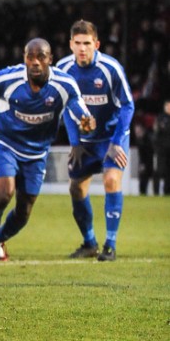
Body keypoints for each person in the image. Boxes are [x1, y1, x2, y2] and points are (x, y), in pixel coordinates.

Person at [0, 38, 95, 261]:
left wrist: (87, 121)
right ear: (24, 59)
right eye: (30, 57)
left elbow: (81, 111)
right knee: (4, 193)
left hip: (37, 153)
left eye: (40, 57)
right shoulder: (10, 77)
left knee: (23, 213)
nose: (35, 62)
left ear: (50, 60)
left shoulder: (65, 84)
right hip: (6, 143)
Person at [56, 20, 134, 262]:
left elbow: (128, 105)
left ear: (96, 44)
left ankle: (110, 245)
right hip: (85, 143)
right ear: (70, 44)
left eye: (87, 43)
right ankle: (89, 243)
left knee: (111, 180)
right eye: (77, 43)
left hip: (111, 138)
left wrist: (117, 141)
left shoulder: (111, 69)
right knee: (76, 188)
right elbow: (66, 108)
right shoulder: (62, 69)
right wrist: (75, 143)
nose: (82, 48)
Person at [154, 99, 170, 195]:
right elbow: (158, 131)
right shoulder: (160, 118)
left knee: (169, 172)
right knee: (159, 170)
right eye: (167, 106)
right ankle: (156, 192)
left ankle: (167, 192)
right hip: (161, 149)